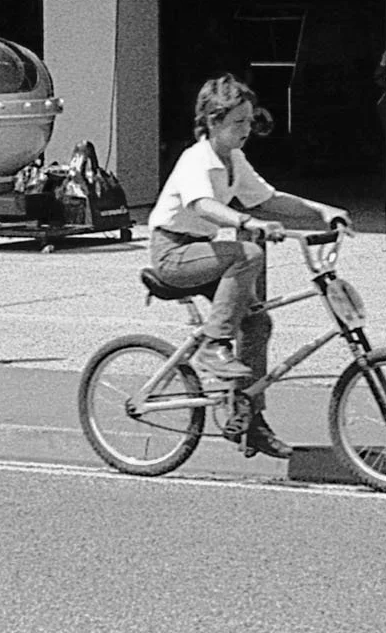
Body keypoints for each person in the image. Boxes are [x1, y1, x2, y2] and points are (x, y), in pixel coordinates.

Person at [147, 75, 348, 459]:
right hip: (173, 253)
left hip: (203, 253)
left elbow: (268, 198)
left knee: (258, 322)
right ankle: (213, 346)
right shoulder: (197, 159)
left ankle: (248, 420)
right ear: (212, 121)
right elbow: (201, 205)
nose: (246, 130)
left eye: (249, 121)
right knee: (247, 254)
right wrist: (245, 223)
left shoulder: (234, 159)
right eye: (238, 123)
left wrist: (321, 210)